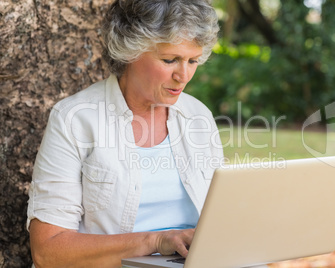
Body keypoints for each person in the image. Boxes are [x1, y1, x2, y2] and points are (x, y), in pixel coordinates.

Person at [27, 0, 223, 267]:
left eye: (193, 60)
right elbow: (48, 251)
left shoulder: (198, 116)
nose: (184, 75)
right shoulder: (75, 119)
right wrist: (155, 242)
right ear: (130, 51)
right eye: (170, 60)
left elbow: (224, 217)